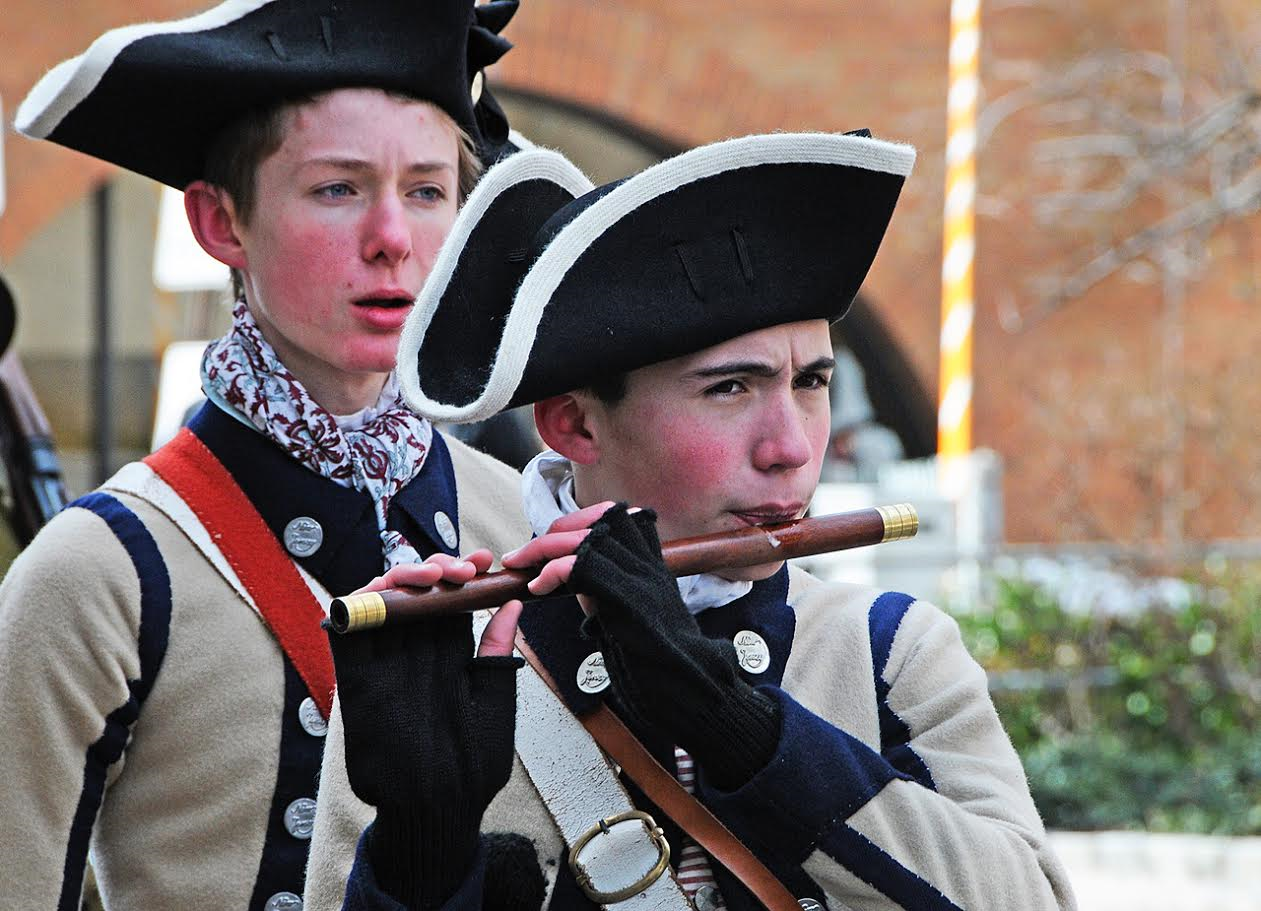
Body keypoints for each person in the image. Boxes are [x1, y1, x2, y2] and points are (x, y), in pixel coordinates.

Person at [304, 134, 1078, 911]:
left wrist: (740, 729)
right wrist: (417, 857)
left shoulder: (889, 650)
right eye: (729, 388)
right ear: (574, 424)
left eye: (810, 381)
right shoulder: (435, 674)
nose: (790, 448)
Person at [0, 1, 532, 908]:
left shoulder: (520, 521)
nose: (393, 238)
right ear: (220, 223)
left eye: (427, 190)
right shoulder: (101, 571)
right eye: (337, 188)